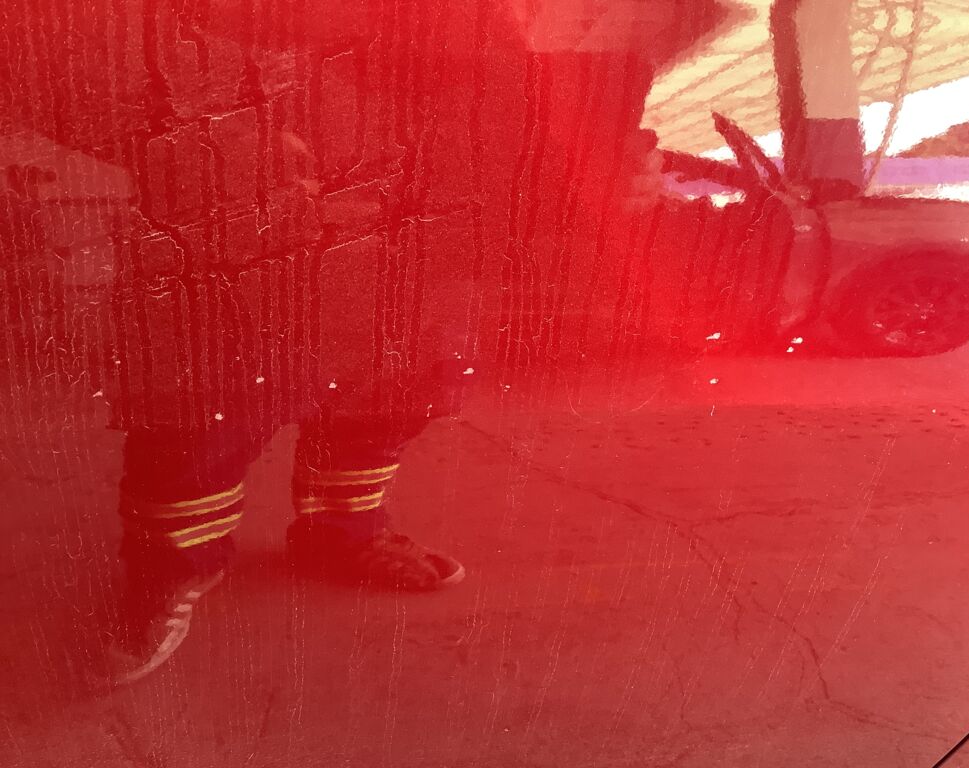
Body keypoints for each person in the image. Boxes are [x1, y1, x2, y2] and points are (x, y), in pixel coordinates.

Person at [89, 0, 736, 683]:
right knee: (206, 407)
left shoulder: (494, 32)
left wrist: (609, 181)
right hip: (243, 218)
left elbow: (510, 122)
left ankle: (340, 532)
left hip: (416, 235)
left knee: (394, 388)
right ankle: (171, 568)